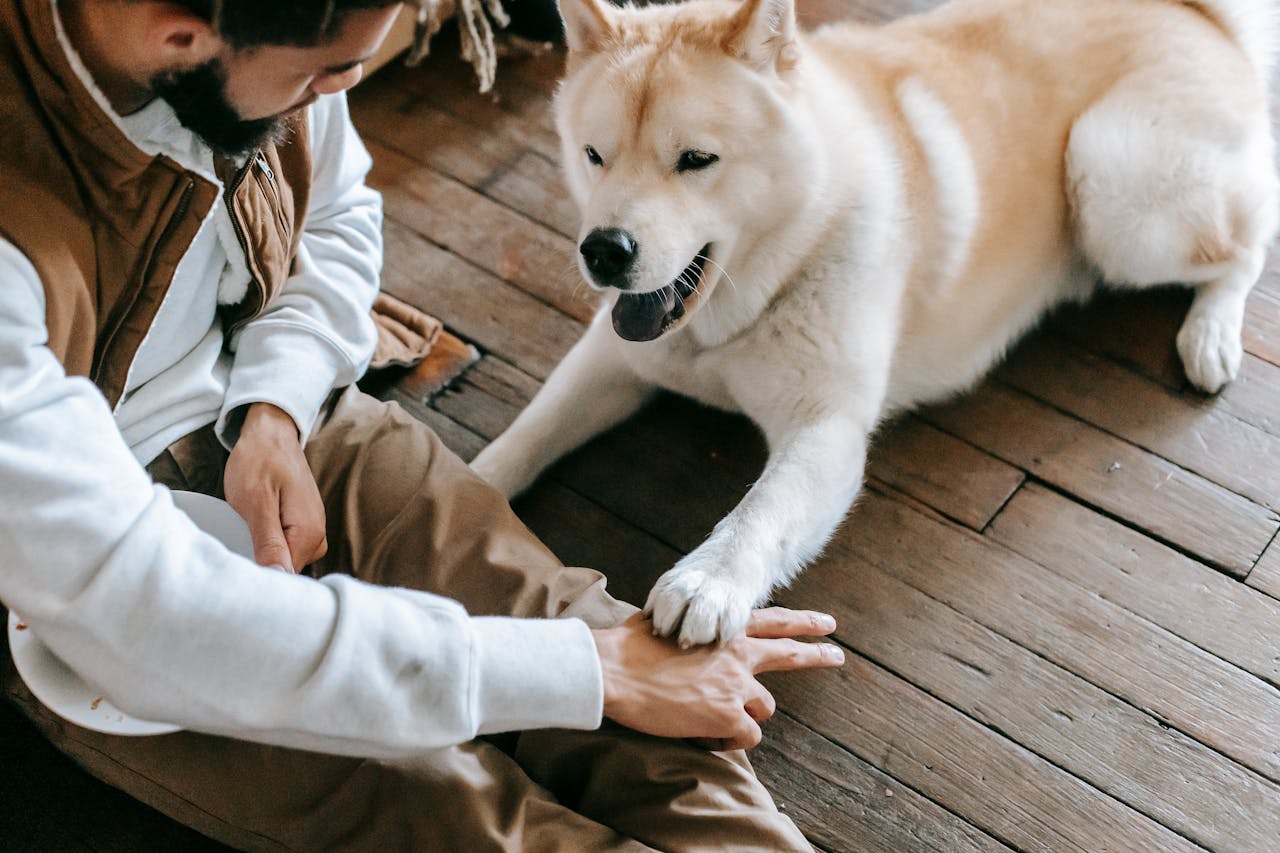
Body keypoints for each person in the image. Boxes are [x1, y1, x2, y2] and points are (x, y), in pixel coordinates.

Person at [0, 0, 846, 849]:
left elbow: (335, 213)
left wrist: (276, 406)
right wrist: (586, 671)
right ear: (176, 37)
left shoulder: (273, 36)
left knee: (612, 658)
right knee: (458, 813)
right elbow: (145, 613)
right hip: (56, 590)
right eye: (324, 74)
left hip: (292, 426)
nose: (344, 89)